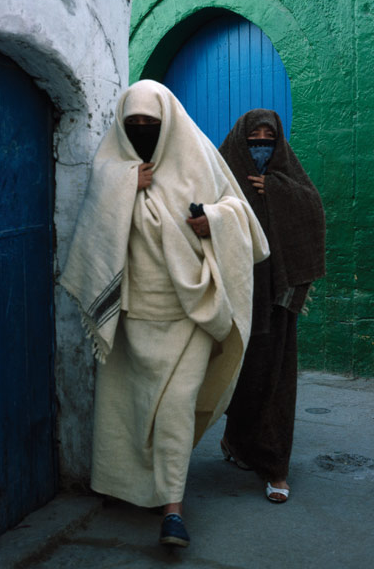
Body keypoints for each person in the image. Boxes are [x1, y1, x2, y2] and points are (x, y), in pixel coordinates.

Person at [60, 81, 269, 547]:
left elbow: (241, 216)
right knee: (127, 410)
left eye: (150, 126)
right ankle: (129, 487)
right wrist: (123, 185)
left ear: (168, 123)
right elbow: (95, 226)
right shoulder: (112, 168)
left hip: (190, 313)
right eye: (133, 126)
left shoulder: (197, 155)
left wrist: (211, 220)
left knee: (174, 411)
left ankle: (172, 509)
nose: (141, 133)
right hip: (133, 315)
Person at [219, 109, 326, 503]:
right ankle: (235, 439)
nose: (261, 142)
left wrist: (275, 190)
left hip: (278, 297)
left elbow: (313, 210)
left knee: (277, 379)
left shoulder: (286, 176)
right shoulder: (222, 170)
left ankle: (275, 466)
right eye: (254, 136)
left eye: (269, 136)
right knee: (240, 376)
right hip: (235, 295)